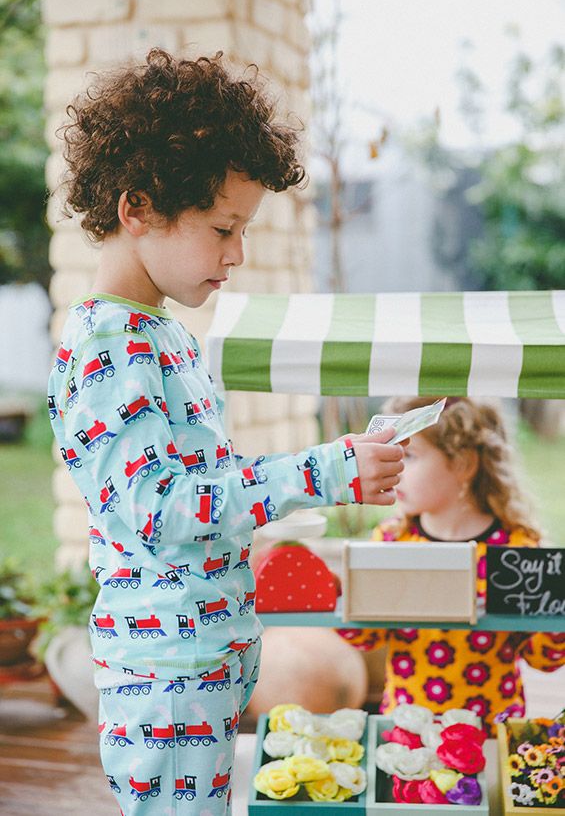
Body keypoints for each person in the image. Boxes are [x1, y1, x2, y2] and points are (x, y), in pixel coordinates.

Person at [47, 48, 406, 814]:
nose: (237, 252)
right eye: (222, 227)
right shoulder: (110, 347)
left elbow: (203, 485)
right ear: (136, 208)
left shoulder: (159, 332)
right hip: (166, 672)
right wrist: (322, 470)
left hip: (205, 654)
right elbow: (159, 507)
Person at [338, 396, 565, 736]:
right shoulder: (392, 542)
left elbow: (544, 659)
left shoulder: (516, 550)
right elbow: (367, 637)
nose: (393, 467)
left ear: (464, 464)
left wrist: (555, 609)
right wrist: (345, 597)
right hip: (407, 731)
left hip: (490, 733)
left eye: (409, 456)